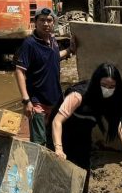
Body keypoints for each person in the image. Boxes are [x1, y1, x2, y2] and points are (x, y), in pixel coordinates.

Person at [15, 8, 76, 146]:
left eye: (49, 20)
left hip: (55, 101)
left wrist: (69, 51)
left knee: (53, 140)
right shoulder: (29, 44)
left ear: (54, 22)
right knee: (39, 143)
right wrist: (26, 100)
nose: (46, 24)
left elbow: (53, 57)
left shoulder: (52, 40)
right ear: (35, 22)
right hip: (37, 103)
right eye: (42, 20)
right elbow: (19, 71)